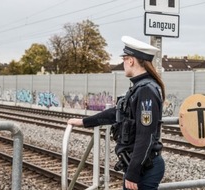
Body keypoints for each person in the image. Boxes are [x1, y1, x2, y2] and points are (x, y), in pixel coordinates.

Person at [68, 35, 166, 190]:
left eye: (124, 59)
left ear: (131, 60)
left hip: (144, 168)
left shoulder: (146, 90)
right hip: (141, 165)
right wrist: (84, 122)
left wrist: (134, 172)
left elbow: (146, 135)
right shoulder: (139, 88)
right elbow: (116, 113)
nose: (123, 63)